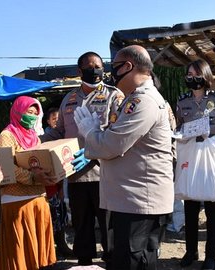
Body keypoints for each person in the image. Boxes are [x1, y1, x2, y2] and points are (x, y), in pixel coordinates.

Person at [73, 45, 174, 270]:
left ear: (128, 67)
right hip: (132, 200)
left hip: (138, 201)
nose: (110, 74)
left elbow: (112, 144)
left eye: (114, 67)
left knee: (133, 261)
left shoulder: (142, 101)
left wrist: (90, 131)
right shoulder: (134, 99)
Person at [41, 51, 124, 266]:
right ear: (80, 71)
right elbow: (58, 132)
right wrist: (34, 140)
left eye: (99, 66)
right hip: (75, 173)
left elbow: (117, 132)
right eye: (90, 67)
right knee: (81, 224)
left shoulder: (113, 96)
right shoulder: (69, 99)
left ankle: (112, 260)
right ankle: (85, 262)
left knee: (108, 225)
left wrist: (93, 155)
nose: (96, 70)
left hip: (104, 172)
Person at [175, 59, 215, 270]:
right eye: (189, 75)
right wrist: (181, 134)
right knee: (190, 209)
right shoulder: (182, 101)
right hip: (190, 157)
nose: (192, 78)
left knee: (213, 211)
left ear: (206, 75)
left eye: (196, 74)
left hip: (210, 159)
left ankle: (212, 256)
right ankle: (191, 251)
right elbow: (178, 126)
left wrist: (211, 131)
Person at [0, 96, 57, 270]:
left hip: (38, 199)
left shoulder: (35, 137)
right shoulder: (7, 135)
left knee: (38, 252)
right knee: (19, 251)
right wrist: (32, 177)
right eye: (29, 112)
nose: (33, 117)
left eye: (36, 114)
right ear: (17, 111)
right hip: (16, 200)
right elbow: (4, 166)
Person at [44, 106, 74, 258]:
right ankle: (51, 251)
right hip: (47, 185)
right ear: (48, 122)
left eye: (58, 119)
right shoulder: (44, 138)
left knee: (59, 217)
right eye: (53, 119)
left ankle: (61, 246)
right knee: (50, 220)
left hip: (58, 184)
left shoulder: (64, 136)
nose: (56, 122)